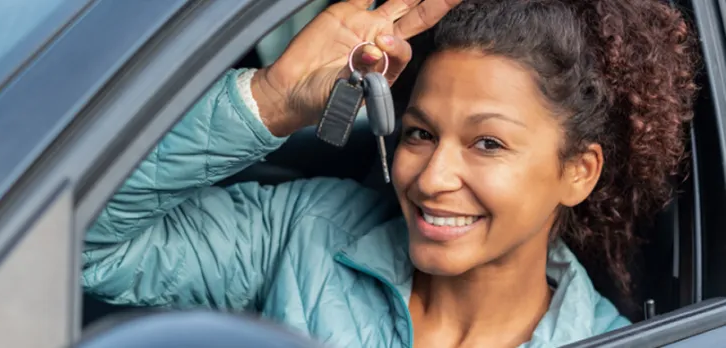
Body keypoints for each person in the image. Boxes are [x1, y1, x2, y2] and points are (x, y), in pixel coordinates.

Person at [82, 0, 698, 347]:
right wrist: (270, 100)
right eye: (420, 133)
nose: (431, 179)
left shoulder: (617, 344)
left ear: (578, 172)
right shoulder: (304, 233)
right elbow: (86, 243)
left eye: (486, 142)